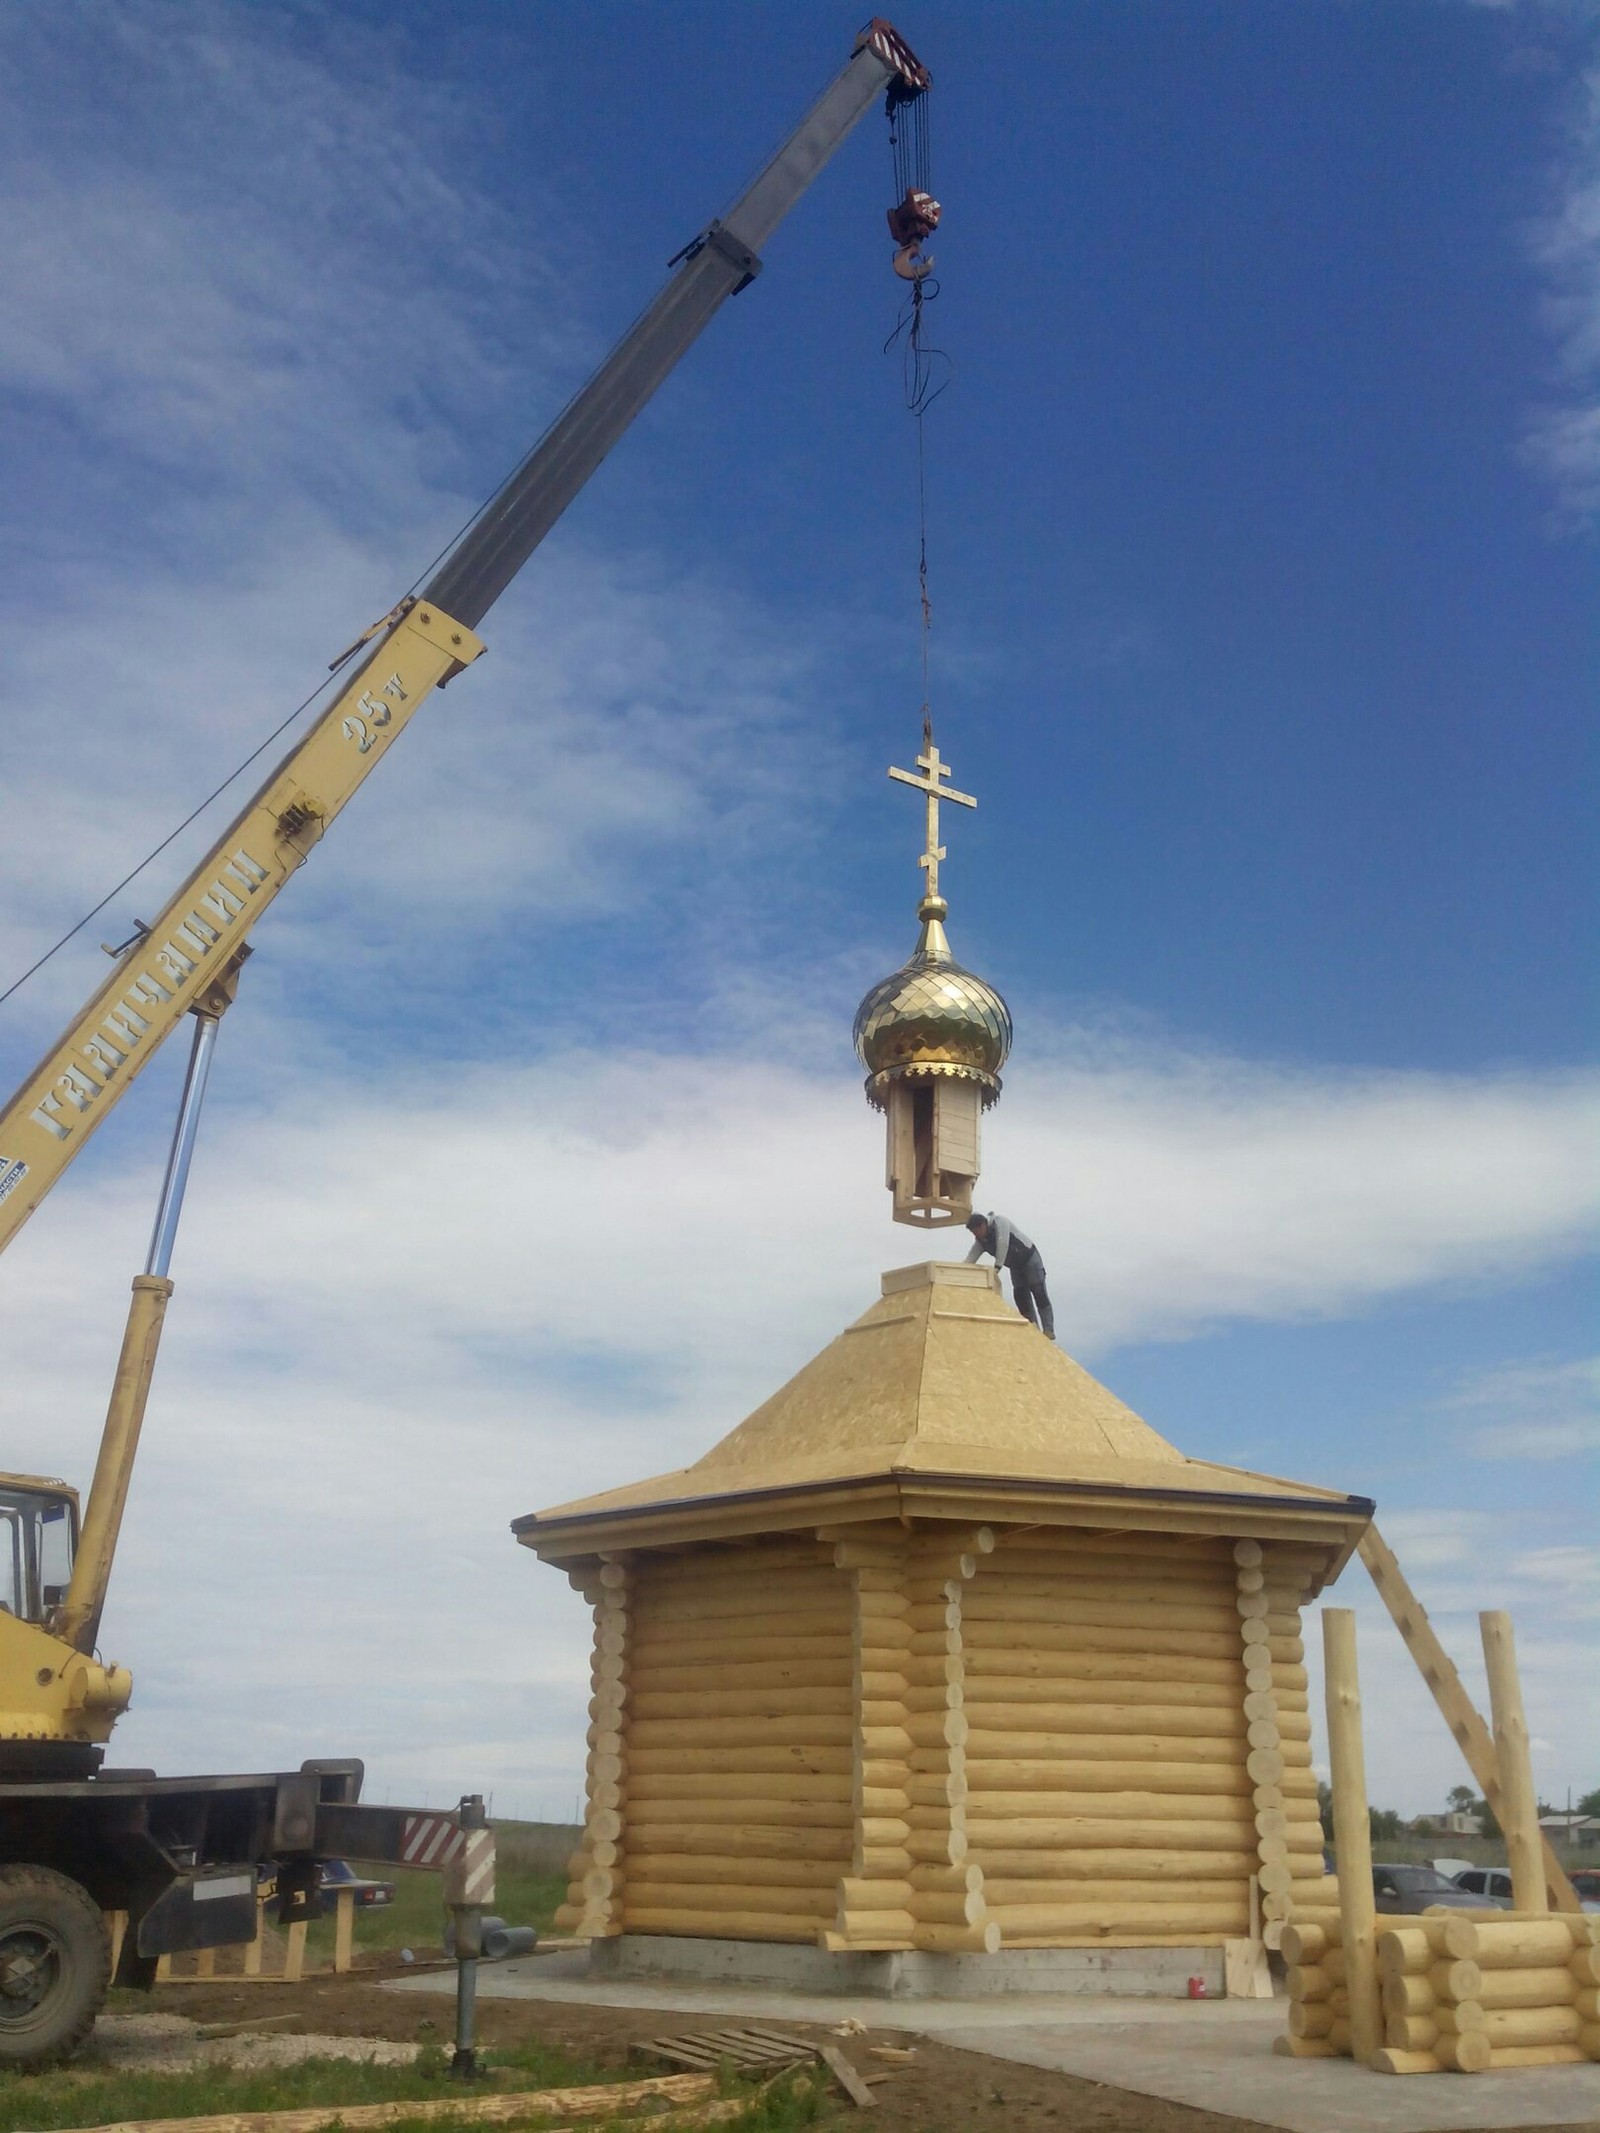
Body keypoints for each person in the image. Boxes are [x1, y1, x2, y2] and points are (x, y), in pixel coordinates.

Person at [964, 1212, 1055, 1339]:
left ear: (982, 1225)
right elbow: (971, 1257)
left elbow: (1003, 1243)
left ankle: (1048, 1329)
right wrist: (960, 1272)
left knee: (1038, 1290)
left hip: (1029, 1258)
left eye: (976, 1231)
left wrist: (997, 1267)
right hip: (1015, 1266)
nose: (975, 1235)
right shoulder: (981, 1241)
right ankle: (1032, 1330)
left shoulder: (1000, 1223)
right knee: (1020, 1296)